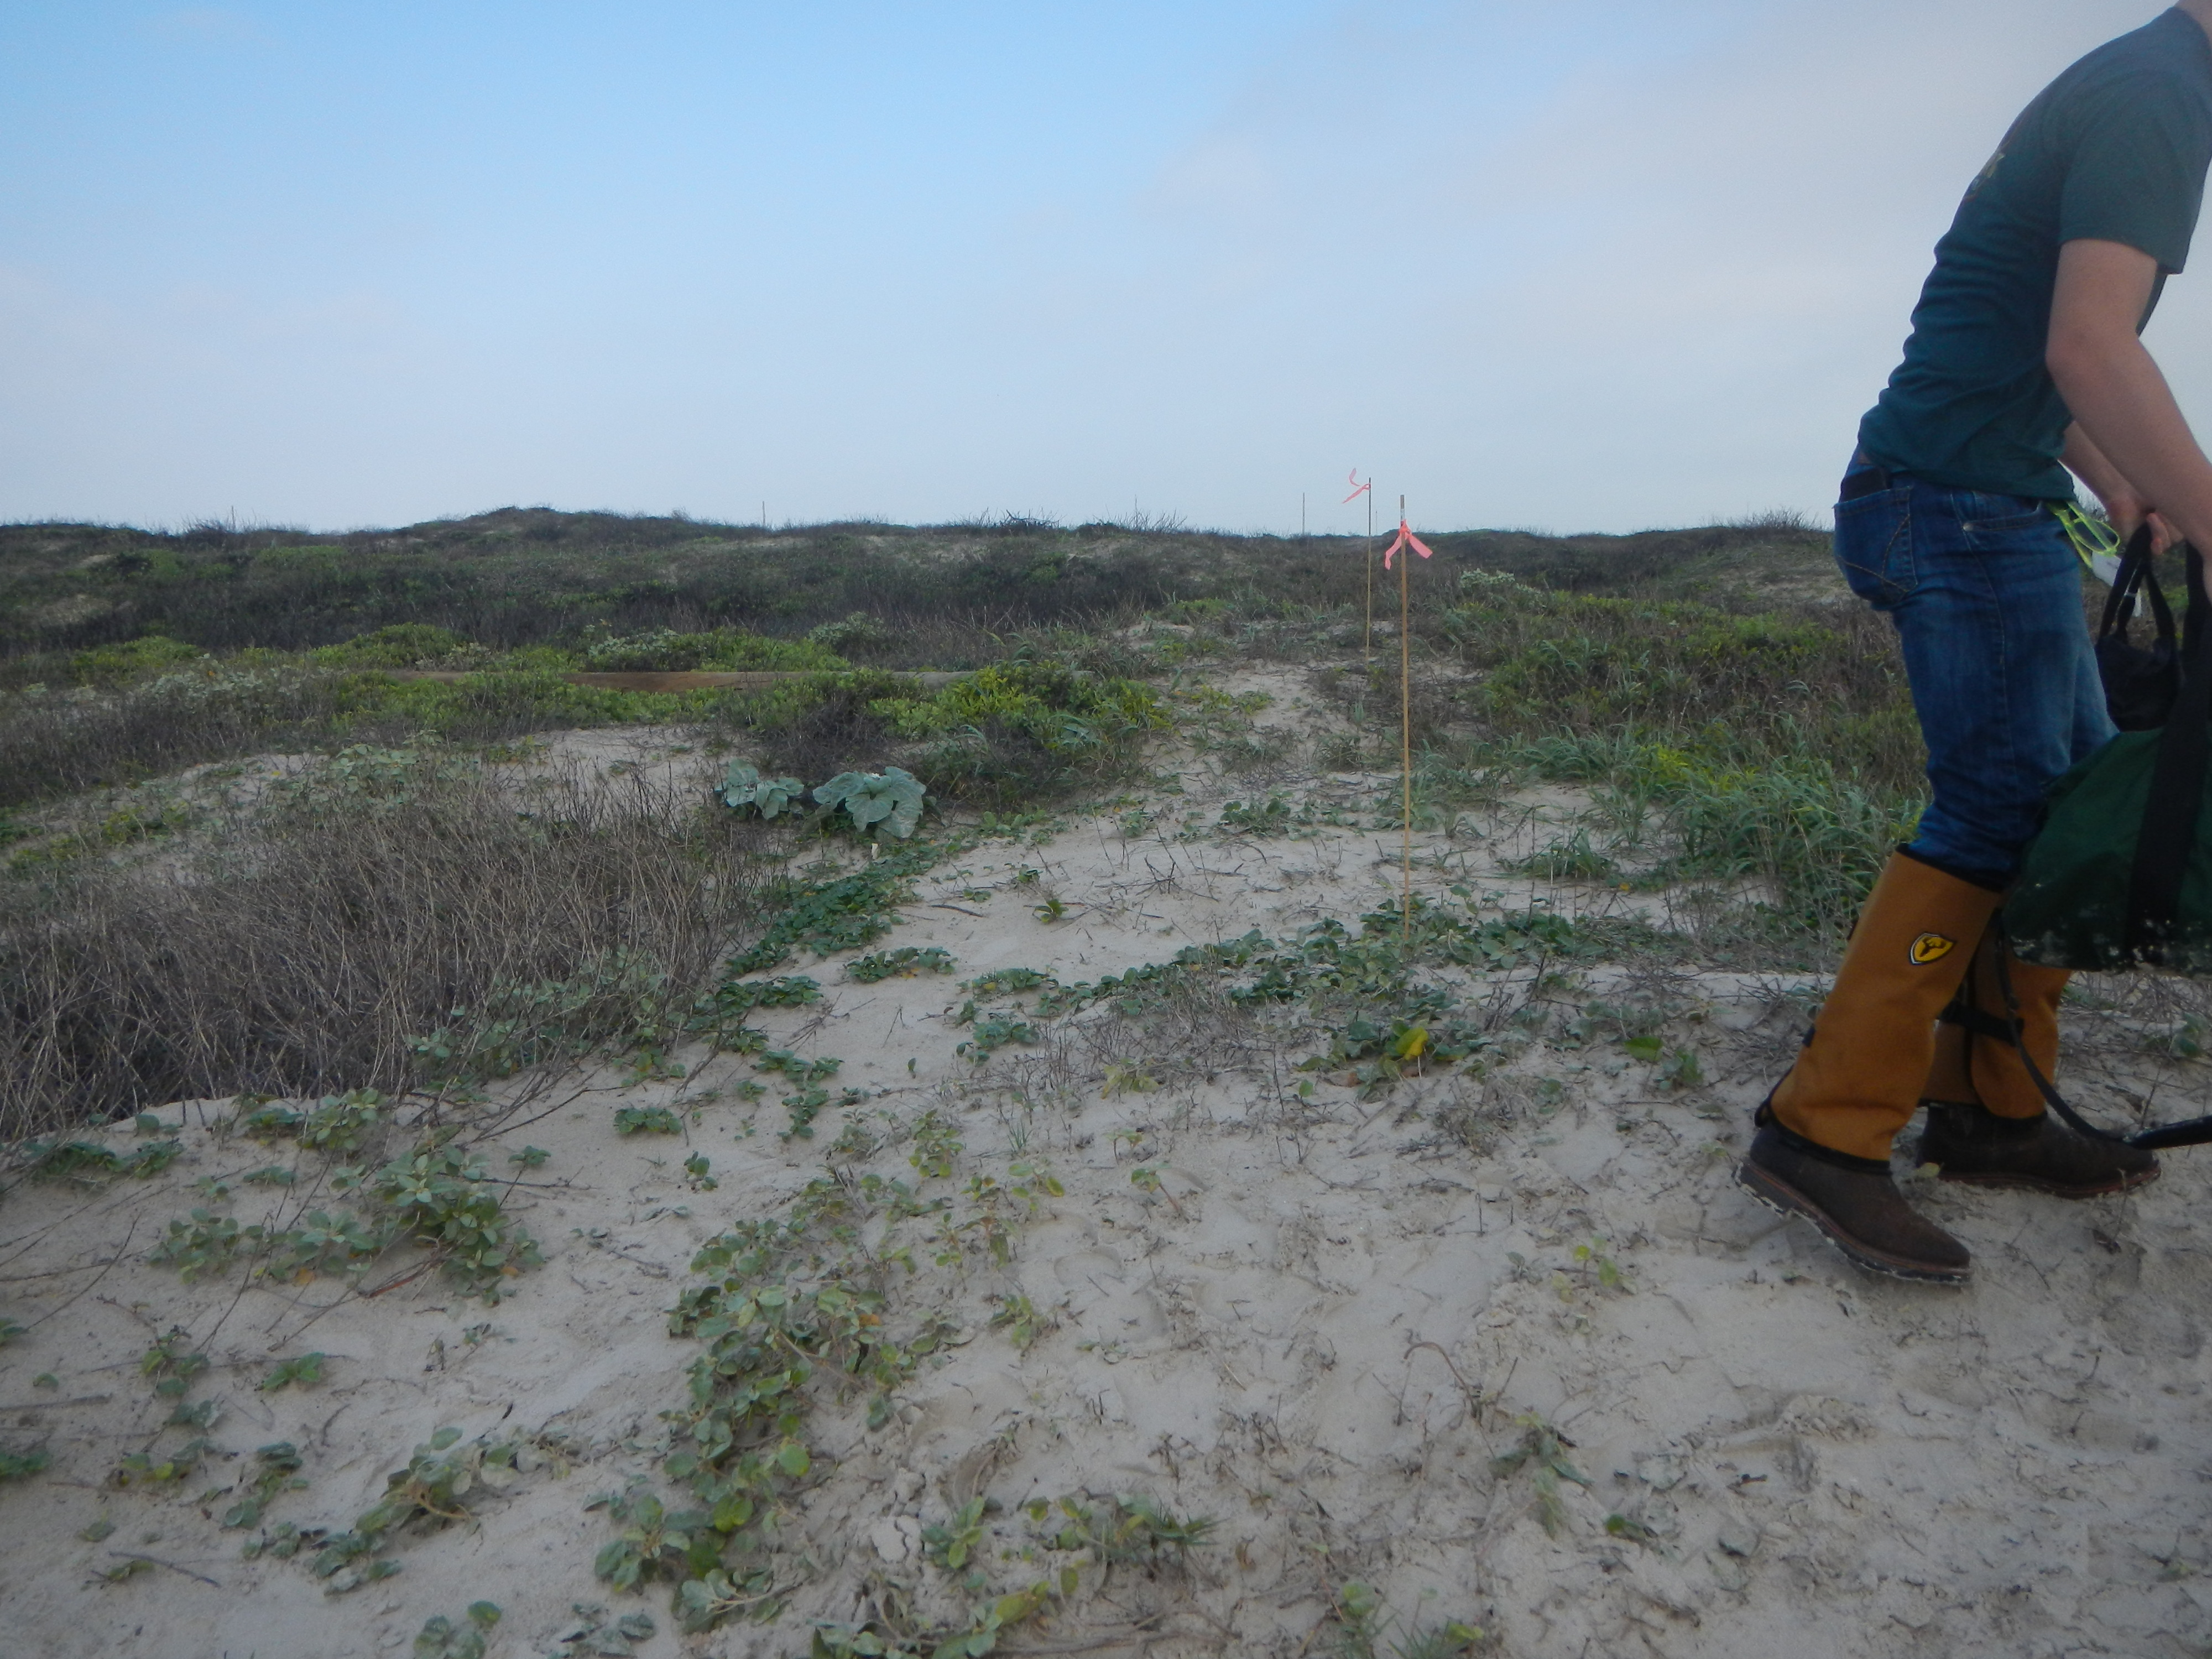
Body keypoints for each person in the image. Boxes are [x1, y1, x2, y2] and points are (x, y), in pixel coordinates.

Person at [1739, 4, 2212, 1283]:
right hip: (1947, 504)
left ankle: (1992, 1111)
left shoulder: (2135, 83)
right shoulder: (2159, 96)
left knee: (2063, 794)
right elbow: (2087, 341)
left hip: (1971, 489)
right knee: (1998, 807)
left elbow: (2024, 344)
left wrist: (2120, 484)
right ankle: (1820, 1131)